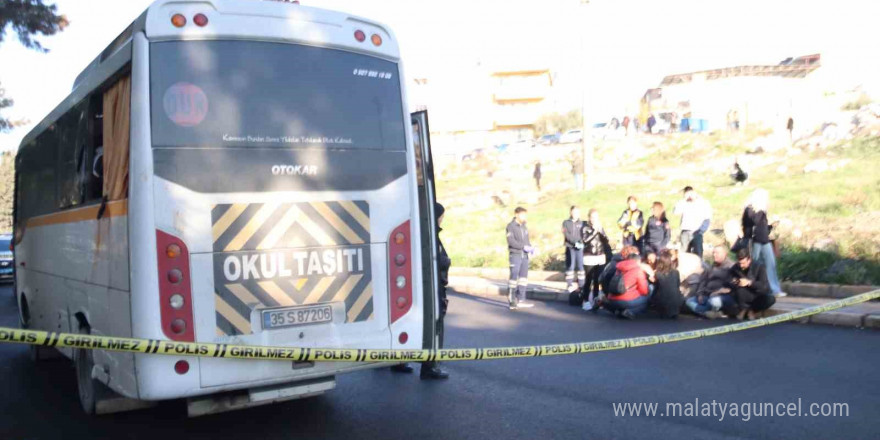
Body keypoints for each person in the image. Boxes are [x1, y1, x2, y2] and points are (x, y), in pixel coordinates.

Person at [393, 203, 450, 379]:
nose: (443, 218)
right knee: (434, 324)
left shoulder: (421, 231)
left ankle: (399, 360)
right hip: (431, 287)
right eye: (441, 215)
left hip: (420, 286)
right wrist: (446, 262)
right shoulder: (430, 234)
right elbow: (435, 260)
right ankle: (430, 366)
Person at [742, 189, 785, 297]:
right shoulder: (750, 209)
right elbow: (754, 222)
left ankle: (774, 289)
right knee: (755, 264)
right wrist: (760, 211)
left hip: (764, 240)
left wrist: (770, 226)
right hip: (754, 241)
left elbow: (761, 227)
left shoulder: (761, 211)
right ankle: (754, 288)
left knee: (771, 264)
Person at [685, 245, 737, 319]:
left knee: (714, 301)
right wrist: (700, 294)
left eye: (717, 253)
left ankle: (707, 312)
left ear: (725, 253)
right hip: (707, 295)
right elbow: (703, 281)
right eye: (713, 253)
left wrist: (719, 292)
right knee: (689, 301)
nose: (714, 255)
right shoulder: (712, 266)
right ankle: (709, 313)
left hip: (720, 296)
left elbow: (733, 285)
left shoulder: (732, 267)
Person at [602, 246, 650, 319]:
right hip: (626, 301)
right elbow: (644, 290)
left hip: (612, 298)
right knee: (646, 298)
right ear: (637, 261)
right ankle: (631, 311)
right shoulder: (637, 270)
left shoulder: (618, 267)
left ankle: (617, 310)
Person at [729, 248, 776, 320]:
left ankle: (750, 310)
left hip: (757, 294)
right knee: (736, 292)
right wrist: (737, 282)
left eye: (743, 263)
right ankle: (745, 310)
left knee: (770, 299)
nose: (741, 266)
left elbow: (763, 285)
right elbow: (730, 281)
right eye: (739, 263)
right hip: (744, 294)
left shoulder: (759, 266)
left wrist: (749, 283)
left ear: (749, 260)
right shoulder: (736, 267)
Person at [506, 207, 535, 310]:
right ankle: (512, 300)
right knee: (514, 277)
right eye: (522, 215)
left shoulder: (524, 227)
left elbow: (527, 240)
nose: (524, 217)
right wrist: (523, 247)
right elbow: (511, 241)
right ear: (516, 214)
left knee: (523, 278)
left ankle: (521, 299)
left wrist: (530, 248)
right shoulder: (511, 226)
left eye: (525, 215)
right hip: (515, 254)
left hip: (524, 255)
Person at [581, 209, 609, 310]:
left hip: (600, 255)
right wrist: (594, 231)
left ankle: (596, 300)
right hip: (589, 256)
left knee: (598, 280)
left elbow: (606, 241)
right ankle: (585, 300)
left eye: (596, 217)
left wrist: (601, 232)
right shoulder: (585, 227)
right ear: (589, 217)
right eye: (592, 217)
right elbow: (585, 240)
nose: (594, 219)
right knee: (588, 280)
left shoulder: (600, 227)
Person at [673, 186, 712, 259]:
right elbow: (675, 212)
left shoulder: (702, 202)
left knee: (698, 254)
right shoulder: (684, 203)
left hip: (697, 232)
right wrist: (684, 199)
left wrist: (701, 231)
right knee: (684, 254)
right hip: (685, 231)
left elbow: (707, 218)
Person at [650, 250, 683, 319]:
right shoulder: (676, 272)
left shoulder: (658, 274)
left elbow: (657, 288)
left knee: (652, 289)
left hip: (662, 301)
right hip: (676, 300)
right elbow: (677, 285)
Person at [562, 206, 585, 296]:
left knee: (581, 267)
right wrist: (574, 242)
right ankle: (569, 285)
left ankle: (581, 285)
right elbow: (566, 234)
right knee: (570, 266)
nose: (575, 214)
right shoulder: (566, 223)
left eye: (577, 212)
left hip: (580, 248)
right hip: (570, 247)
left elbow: (583, 234)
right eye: (573, 212)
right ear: (570, 213)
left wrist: (581, 243)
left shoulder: (583, 223)